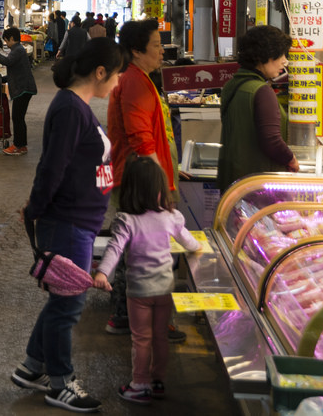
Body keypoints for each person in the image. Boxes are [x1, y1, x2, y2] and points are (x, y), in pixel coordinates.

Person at [12, 37, 124, 413]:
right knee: (68, 306)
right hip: (67, 222)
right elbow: (52, 166)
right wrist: (36, 208)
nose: (118, 83)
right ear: (100, 72)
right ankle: (60, 383)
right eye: (117, 75)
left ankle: (32, 366)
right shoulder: (71, 110)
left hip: (78, 220)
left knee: (62, 300)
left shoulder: (76, 106)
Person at [92, 156, 202, 405]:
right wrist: (200, 249)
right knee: (160, 337)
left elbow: (114, 249)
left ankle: (139, 385)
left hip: (139, 293)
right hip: (164, 289)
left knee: (141, 338)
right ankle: (158, 381)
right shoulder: (170, 217)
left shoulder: (126, 220)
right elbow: (190, 243)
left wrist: (102, 273)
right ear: (159, 187)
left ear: (130, 189)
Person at [105, 18, 184, 339]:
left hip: (139, 176)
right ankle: (148, 323)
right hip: (141, 182)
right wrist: (158, 187)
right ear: (136, 52)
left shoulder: (142, 78)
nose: (162, 51)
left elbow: (154, 135)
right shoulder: (136, 82)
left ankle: (125, 315)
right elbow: (141, 139)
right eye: (155, 46)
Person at [217, 26, 299, 191]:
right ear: (266, 55)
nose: (285, 61)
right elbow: (272, 141)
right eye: (281, 54)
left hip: (234, 184)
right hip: (258, 187)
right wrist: (292, 159)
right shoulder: (261, 91)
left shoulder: (232, 86)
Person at [0, 27, 37, 155]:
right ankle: (21, 146)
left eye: (6, 41)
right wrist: (2, 78)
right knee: (19, 118)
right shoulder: (18, 49)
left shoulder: (18, 49)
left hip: (23, 89)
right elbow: (15, 70)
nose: (6, 44)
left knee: (17, 117)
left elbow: (7, 62)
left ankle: (18, 145)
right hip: (23, 88)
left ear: (11, 39)